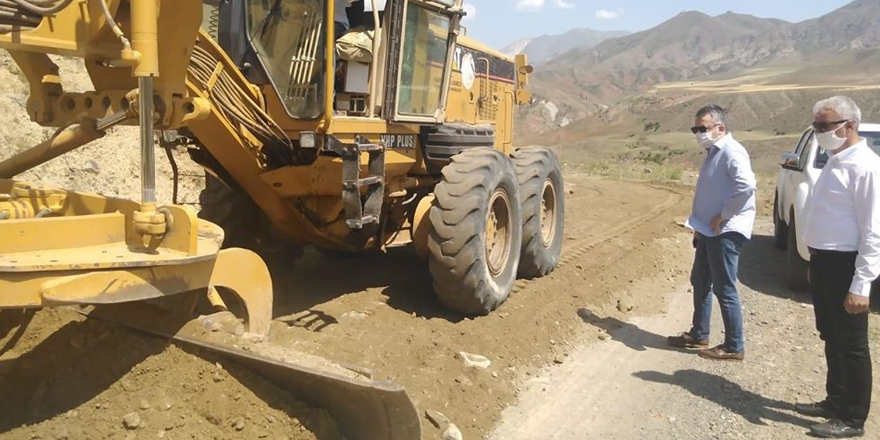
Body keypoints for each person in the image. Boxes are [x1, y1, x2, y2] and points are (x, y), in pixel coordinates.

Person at [796, 96, 879, 438]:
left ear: (849, 125)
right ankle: (835, 400)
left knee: (852, 344)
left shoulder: (866, 166)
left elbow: (874, 231)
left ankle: (852, 418)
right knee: (830, 334)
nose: (819, 133)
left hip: (846, 264)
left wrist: (861, 285)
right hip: (825, 262)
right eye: (816, 126)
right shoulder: (836, 159)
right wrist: (814, 261)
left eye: (824, 126)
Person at [667, 105, 756, 361]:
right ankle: (699, 333)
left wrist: (724, 215)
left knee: (724, 288)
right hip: (708, 230)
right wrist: (699, 227)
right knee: (700, 280)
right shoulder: (713, 152)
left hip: (725, 231)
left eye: (702, 128)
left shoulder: (731, 151)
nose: (698, 133)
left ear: (720, 128)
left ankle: (734, 345)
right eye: (695, 128)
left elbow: (747, 185)